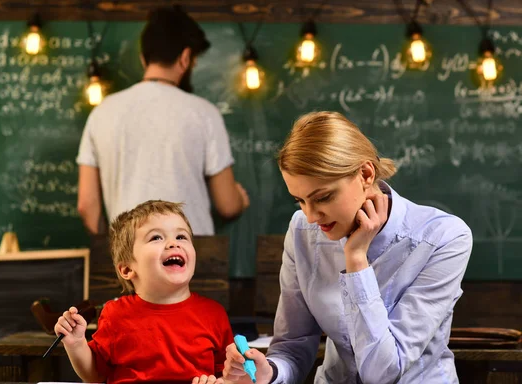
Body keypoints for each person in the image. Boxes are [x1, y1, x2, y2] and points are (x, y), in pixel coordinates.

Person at [221, 111, 473, 383]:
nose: (311, 216)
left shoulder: (444, 237)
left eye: (323, 197)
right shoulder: (302, 229)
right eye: (300, 201)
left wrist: (355, 260)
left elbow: (384, 372)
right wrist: (268, 372)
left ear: (366, 173)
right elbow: (293, 346)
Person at [76, 5, 249, 237]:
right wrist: (240, 198)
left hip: (130, 258)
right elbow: (227, 205)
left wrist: (113, 252)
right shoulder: (204, 113)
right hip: (191, 256)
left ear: (143, 58)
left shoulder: (102, 113)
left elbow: (87, 207)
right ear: (186, 58)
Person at [55, 200, 234, 384]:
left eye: (181, 237)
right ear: (126, 270)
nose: (173, 243)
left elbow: (229, 376)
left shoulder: (214, 314)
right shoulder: (115, 314)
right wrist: (76, 344)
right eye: (156, 237)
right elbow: (95, 375)